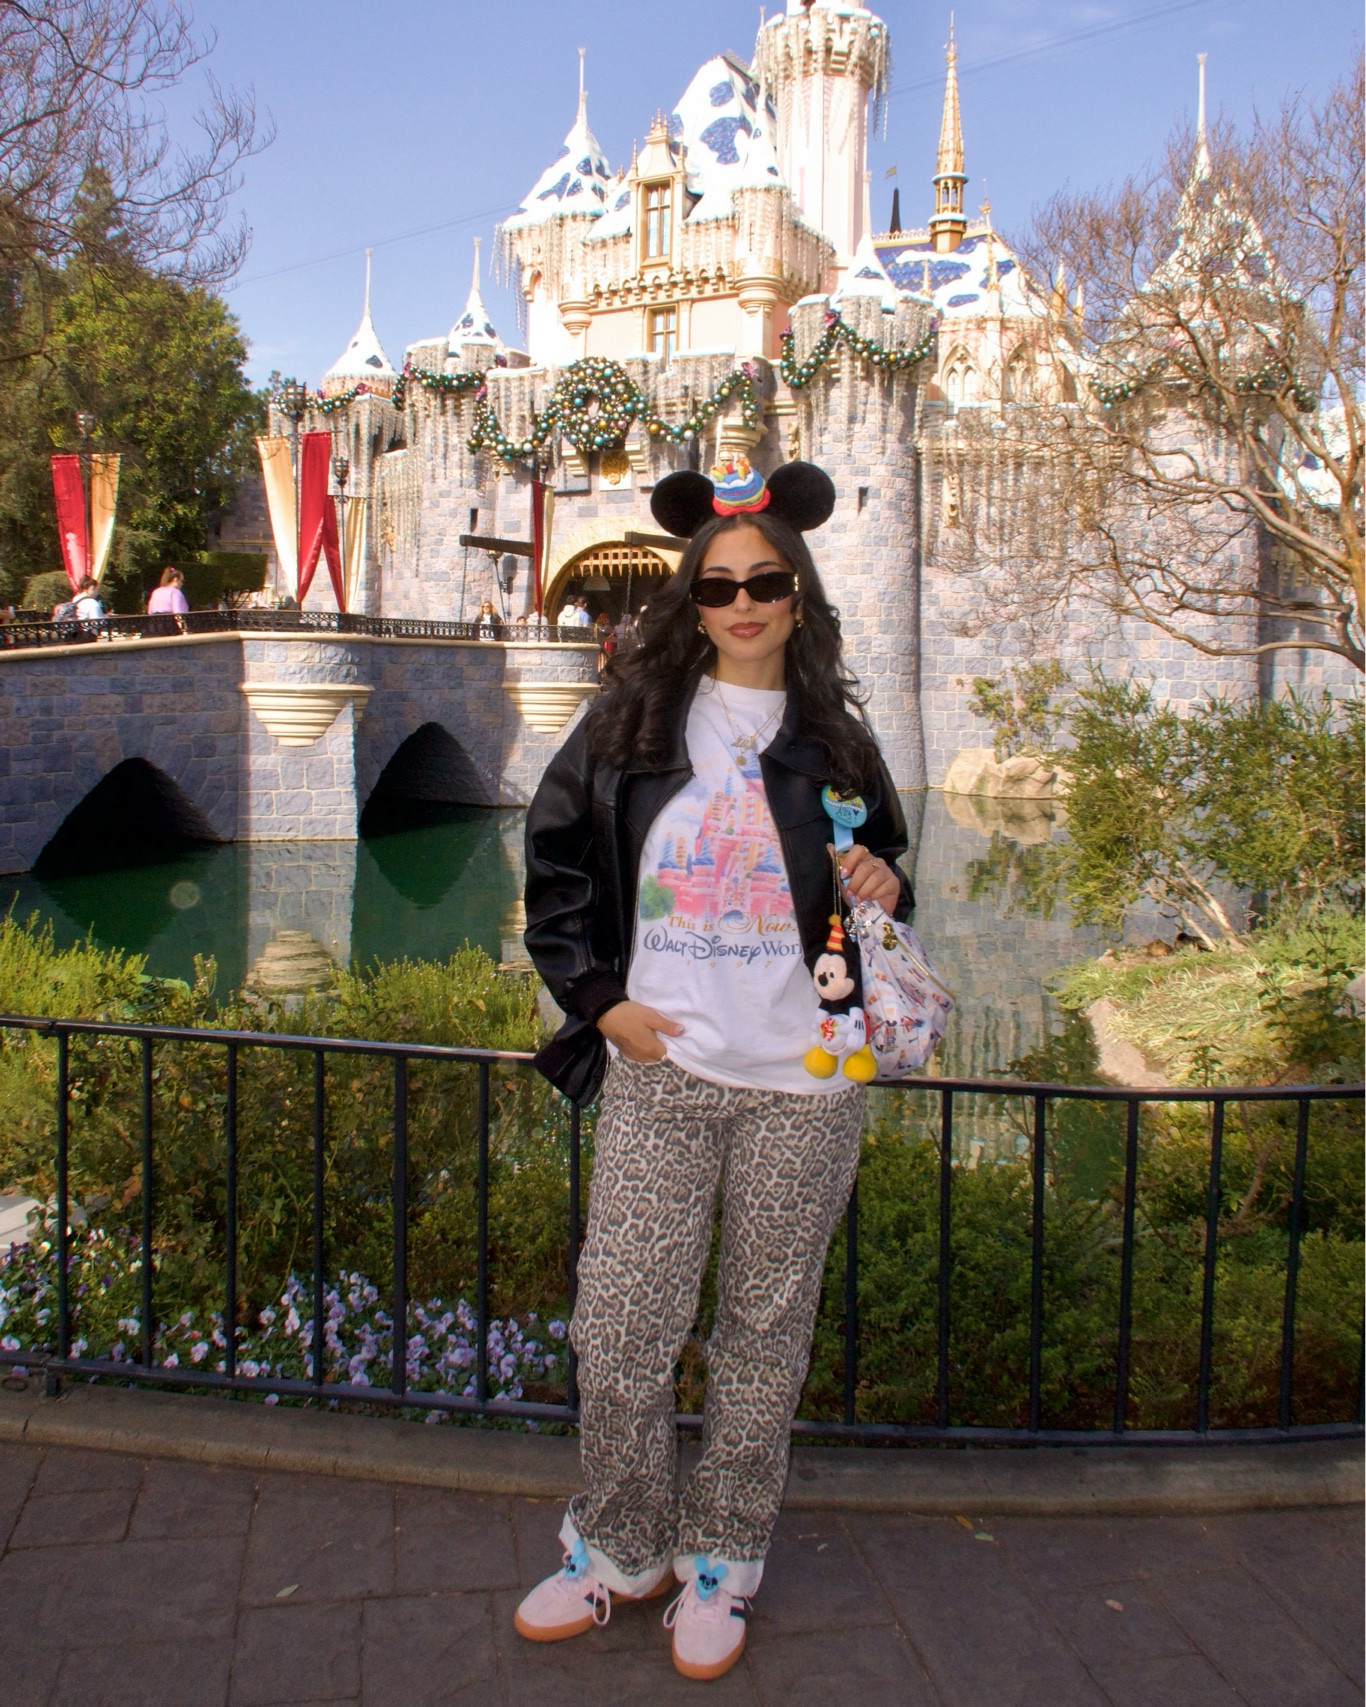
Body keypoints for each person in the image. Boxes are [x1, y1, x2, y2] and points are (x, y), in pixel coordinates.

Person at [518, 458, 911, 1682]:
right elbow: (557, 860)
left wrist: (890, 880)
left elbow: (885, 867)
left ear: (799, 598)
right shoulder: (631, 724)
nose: (742, 604)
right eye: (719, 586)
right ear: (691, 600)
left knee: (761, 1327)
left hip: (806, 1076)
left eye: (766, 584)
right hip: (665, 1067)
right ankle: (619, 1547)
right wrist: (598, 1001)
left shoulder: (836, 737)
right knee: (623, 1321)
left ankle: (721, 1559)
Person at [145, 565, 189, 636]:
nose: (182, 584)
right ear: (175, 579)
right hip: (168, 624)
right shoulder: (175, 592)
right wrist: (183, 629)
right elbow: (177, 612)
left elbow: (150, 611)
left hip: (153, 625)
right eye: (182, 581)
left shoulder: (156, 591)